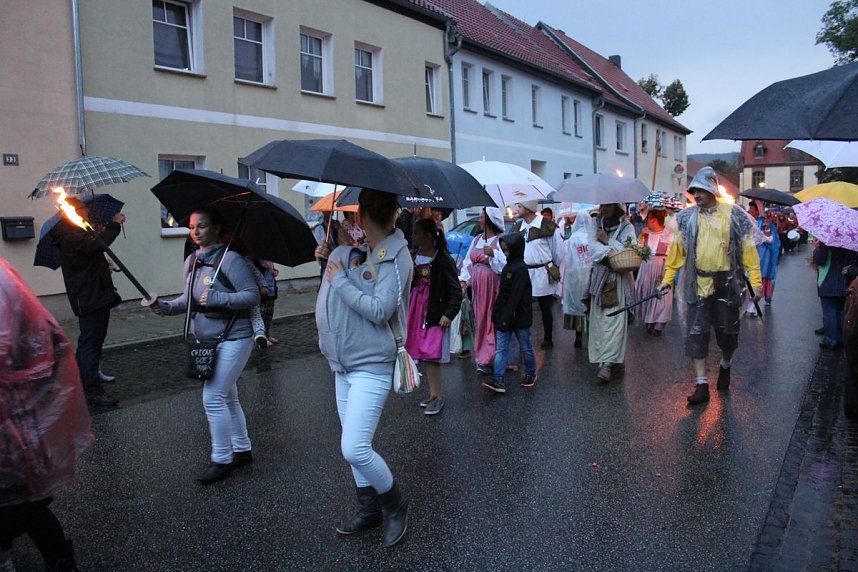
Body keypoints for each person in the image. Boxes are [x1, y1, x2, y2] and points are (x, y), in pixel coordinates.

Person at [314, 188, 413, 548]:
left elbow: (379, 309)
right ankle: (369, 507)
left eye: (356, 215)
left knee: (354, 447)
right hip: (343, 363)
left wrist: (337, 278)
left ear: (362, 217)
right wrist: (329, 259)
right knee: (356, 441)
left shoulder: (396, 256)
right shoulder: (364, 251)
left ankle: (395, 504)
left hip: (371, 363)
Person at [152, 207, 260, 483]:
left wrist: (218, 299)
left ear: (216, 228)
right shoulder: (192, 261)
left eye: (201, 226)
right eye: (191, 227)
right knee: (228, 397)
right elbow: (189, 300)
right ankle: (243, 449)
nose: (195, 232)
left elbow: (251, 296)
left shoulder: (232, 260)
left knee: (213, 398)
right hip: (208, 340)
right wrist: (164, 307)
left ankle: (222, 459)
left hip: (235, 337)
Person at [0, 256, 93, 572]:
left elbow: (11, 345)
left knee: (22, 499)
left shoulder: (2, 282)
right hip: (16, 421)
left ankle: (59, 560)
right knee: (21, 499)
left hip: (11, 426)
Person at [659, 167, 762, 405]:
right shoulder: (685, 219)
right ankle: (701, 384)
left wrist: (755, 283)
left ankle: (725, 364)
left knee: (728, 334)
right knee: (697, 333)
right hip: (697, 284)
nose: (697, 194)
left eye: (701, 190)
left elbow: (749, 251)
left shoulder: (735, 216)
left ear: (713, 190)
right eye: (694, 190)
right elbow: (676, 254)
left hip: (727, 284)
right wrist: (667, 281)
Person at [50, 197, 125, 406]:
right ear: (71, 211)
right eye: (83, 209)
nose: (86, 212)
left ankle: (90, 375)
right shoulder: (70, 234)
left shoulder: (79, 230)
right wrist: (115, 225)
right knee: (89, 343)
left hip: (96, 294)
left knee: (95, 340)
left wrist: (103, 265)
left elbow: (90, 256)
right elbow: (97, 246)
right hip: (89, 297)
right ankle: (90, 388)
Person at [406, 218, 462, 415]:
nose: (414, 237)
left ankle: (437, 395)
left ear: (429, 235)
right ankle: (432, 394)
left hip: (433, 311)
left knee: (431, 354)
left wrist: (449, 313)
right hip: (415, 310)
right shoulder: (412, 257)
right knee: (421, 353)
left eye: (417, 233)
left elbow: (456, 291)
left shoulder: (443, 259)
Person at [482, 232, 537, 393]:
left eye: (507, 250)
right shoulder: (509, 266)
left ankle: (530, 372)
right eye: (504, 250)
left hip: (518, 316)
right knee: (502, 348)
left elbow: (515, 296)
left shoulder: (519, 269)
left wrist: (502, 316)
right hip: (507, 316)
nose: (506, 254)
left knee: (525, 347)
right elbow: (503, 294)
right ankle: (498, 379)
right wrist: (498, 313)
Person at [587, 203, 636, 382]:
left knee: (615, 322)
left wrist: (608, 241)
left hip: (619, 280)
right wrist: (612, 251)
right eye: (603, 205)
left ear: (617, 207)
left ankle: (607, 364)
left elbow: (630, 250)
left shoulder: (627, 227)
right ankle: (606, 359)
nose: (604, 208)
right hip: (601, 279)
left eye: (609, 205)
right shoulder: (595, 223)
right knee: (600, 322)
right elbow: (593, 250)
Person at [459, 207, 507, 374]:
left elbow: (504, 266)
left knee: (490, 319)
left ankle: (492, 357)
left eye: (481, 217)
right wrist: (464, 280)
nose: (479, 220)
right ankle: (481, 356)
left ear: (488, 220)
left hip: (492, 286)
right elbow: (467, 262)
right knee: (480, 319)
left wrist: (493, 254)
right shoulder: (477, 239)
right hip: (478, 288)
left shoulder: (499, 241)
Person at [513, 200, 564, 348]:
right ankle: (524, 339)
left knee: (544, 306)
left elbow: (558, 251)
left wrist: (552, 265)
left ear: (528, 209)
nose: (518, 208)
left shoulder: (546, 225)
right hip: (525, 271)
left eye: (520, 205)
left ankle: (548, 338)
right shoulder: (518, 226)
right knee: (524, 307)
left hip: (542, 272)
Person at [636, 200, 674, 336]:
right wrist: (642, 237)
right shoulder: (646, 234)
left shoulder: (668, 233)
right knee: (646, 293)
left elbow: (673, 252)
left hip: (662, 266)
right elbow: (639, 249)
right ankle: (649, 320)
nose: (647, 222)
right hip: (647, 266)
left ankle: (658, 324)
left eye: (649, 219)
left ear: (654, 220)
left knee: (661, 296)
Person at [813, 241, 858, 351]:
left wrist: (818, 248)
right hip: (845, 281)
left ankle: (832, 339)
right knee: (840, 310)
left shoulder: (827, 241)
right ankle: (841, 338)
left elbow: (819, 260)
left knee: (829, 311)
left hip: (828, 280)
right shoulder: (851, 242)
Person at [560, 209, 593, 349]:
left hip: (576, 276)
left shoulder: (573, 238)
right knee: (591, 305)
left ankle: (578, 335)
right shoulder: (592, 237)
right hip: (591, 275)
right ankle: (592, 335)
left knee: (578, 304)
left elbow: (568, 259)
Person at [748, 203, 780, 307]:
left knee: (764, 275)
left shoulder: (765, 223)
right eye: (750, 208)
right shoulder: (752, 221)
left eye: (752, 208)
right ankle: (751, 304)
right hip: (754, 252)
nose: (750, 210)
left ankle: (765, 297)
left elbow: (771, 240)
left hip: (766, 255)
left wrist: (767, 230)